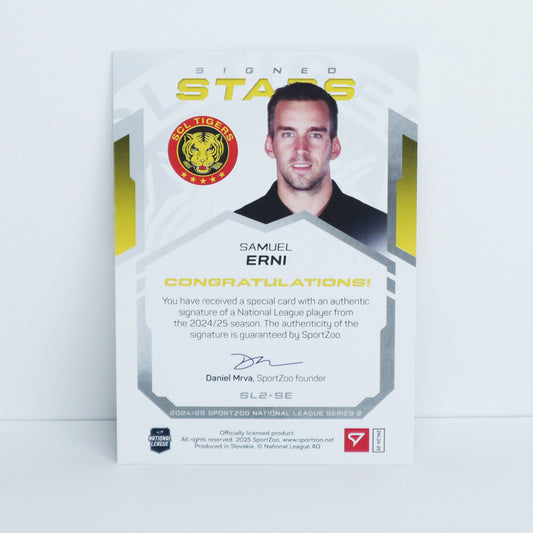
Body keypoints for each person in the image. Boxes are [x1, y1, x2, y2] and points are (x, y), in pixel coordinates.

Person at [235, 82, 387, 251]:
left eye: (315, 135)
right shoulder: (234, 231)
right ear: (270, 146)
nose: (301, 149)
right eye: (288, 134)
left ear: (334, 147)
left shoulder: (381, 231)